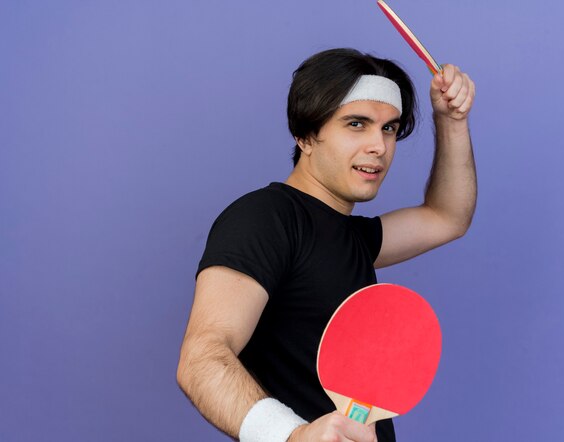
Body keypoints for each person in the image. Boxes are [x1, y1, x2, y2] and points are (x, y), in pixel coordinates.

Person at [177, 48, 476, 442]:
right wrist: (294, 435)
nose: (379, 146)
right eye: (357, 124)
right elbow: (202, 359)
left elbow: (447, 216)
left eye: (389, 128)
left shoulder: (353, 237)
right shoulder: (265, 219)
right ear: (304, 135)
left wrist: (451, 120)